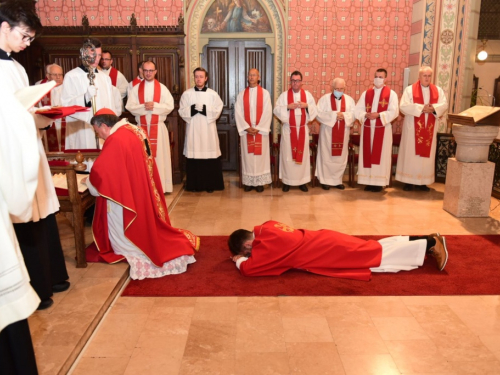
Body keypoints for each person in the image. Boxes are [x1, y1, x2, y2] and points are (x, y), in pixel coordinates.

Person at [0, 0, 70, 312]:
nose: (27, 43)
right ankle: (34, 287)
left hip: (29, 146)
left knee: (41, 210)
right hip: (10, 154)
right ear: (4, 27)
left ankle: (50, 276)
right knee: (25, 213)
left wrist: (42, 115)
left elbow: (22, 110)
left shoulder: (14, 66)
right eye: (25, 36)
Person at [85, 109, 200, 279]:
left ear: (103, 125)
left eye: (97, 131)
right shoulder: (134, 129)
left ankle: (129, 246)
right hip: (140, 185)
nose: (100, 136)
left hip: (125, 194)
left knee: (123, 226)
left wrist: (87, 181)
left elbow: (101, 173)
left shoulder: (116, 139)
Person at [228, 220, 448, 279]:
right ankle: (427, 238)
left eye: (248, 252)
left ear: (248, 245)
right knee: (375, 247)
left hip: (328, 252)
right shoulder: (268, 226)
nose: (250, 255)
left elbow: (250, 270)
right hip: (326, 239)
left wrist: (239, 260)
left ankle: (431, 245)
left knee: (376, 256)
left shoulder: (266, 246)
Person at [396, 66, 449, 191]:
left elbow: (444, 104)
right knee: (411, 154)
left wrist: (433, 108)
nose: (427, 78)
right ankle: (408, 181)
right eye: (424, 75)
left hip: (429, 128)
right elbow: (403, 106)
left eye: (429, 76)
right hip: (412, 128)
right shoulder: (409, 90)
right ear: (419, 77)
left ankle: (422, 182)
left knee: (426, 157)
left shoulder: (438, 90)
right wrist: (421, 108)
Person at [126, 61, 174, 193]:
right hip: (141, 128)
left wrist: (155, 106)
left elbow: (170, 106)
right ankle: (144, 188)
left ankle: (161, 187)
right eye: (146, 70)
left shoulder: (162, 88)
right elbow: (129, 106)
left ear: (155, 71)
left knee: (160, 158)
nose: (148, 73)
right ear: (142, 71)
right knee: (142, 157)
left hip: (158, 128)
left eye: (151, 70)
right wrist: (144, 107)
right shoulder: (135, 89)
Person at [61, 37, 116, 149]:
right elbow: (66, 105)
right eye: (93, 54)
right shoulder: (72, 76)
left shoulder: (105, 78)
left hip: (103, 131)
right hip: (82, 131)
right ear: (84, 54)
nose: (96, 59)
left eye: (99, 55)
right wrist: (85, 98)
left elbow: (111, 106)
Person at [179, 67, 224, 193]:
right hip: (193, 130)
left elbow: (218, 110)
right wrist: (193, 109)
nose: (198, 79)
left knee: (209, 156)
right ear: (194, 78)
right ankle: (194, 185)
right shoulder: (187, 94)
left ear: (206, 78)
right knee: (194, 157)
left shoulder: (212, 94)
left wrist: (204, 109)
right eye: (196, 76)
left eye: (201, 76)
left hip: (208, 130)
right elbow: (182, 111)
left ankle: (210, 185)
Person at [354, 68, 399, 192]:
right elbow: (358, 110)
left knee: (381, 155)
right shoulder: (366, 93)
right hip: (368, 128)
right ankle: (368, 181)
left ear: (385, 79)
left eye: (380, 77)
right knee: (367, 154)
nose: (378, 79)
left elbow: (394, 111)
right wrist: (365, 115)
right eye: (376, 76)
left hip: (382, 130)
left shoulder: (391, 94)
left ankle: (379, 183)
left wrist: (379, 115)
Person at [273, 71, 318, 192]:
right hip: (289, 130)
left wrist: (306, 106)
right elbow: (276, 110)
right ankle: (287, 181)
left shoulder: (307, 95)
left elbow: (315, 111)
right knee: (288, 156)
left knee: (302, 157)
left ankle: (302, 181)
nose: (295, 83)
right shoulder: (283, 96)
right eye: (293, 80)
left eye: (298, 80)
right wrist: (287, 107)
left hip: (302, 129)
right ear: (290, 81)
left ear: (301, 82)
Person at [235, 68, 273, 192]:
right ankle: (249, 182)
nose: (251, 77)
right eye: (250, 75)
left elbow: (268, 112)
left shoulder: (265, 94)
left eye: (254, 75)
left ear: (259, 77)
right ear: (247, 77)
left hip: (260, 131)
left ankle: (260, 183)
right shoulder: (242, 94)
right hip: (247, 132)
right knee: (249, 157)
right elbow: (238, 112)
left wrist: (259, 127)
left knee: (260, 157)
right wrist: (246, 127)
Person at [315, 77, 356, 190]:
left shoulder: (349, 100)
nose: (339, 90)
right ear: (332, 88)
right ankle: (325, 181)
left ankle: (337, 180)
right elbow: (318, 114)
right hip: (327, 134)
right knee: (327, 155)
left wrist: (344, 115)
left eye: (341, 88)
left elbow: (354, 114)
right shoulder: (324, 99)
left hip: (343, 133)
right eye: (337, 88)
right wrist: (334, 115)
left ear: (345, 88)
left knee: (340, 158)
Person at [36, 63, 65, 151]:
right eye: (55, 75)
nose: (58, 77)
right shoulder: (40, 87)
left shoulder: (68, 86)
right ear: (48, 76)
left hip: (64, 122)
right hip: (47, 123)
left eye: (60, 74)